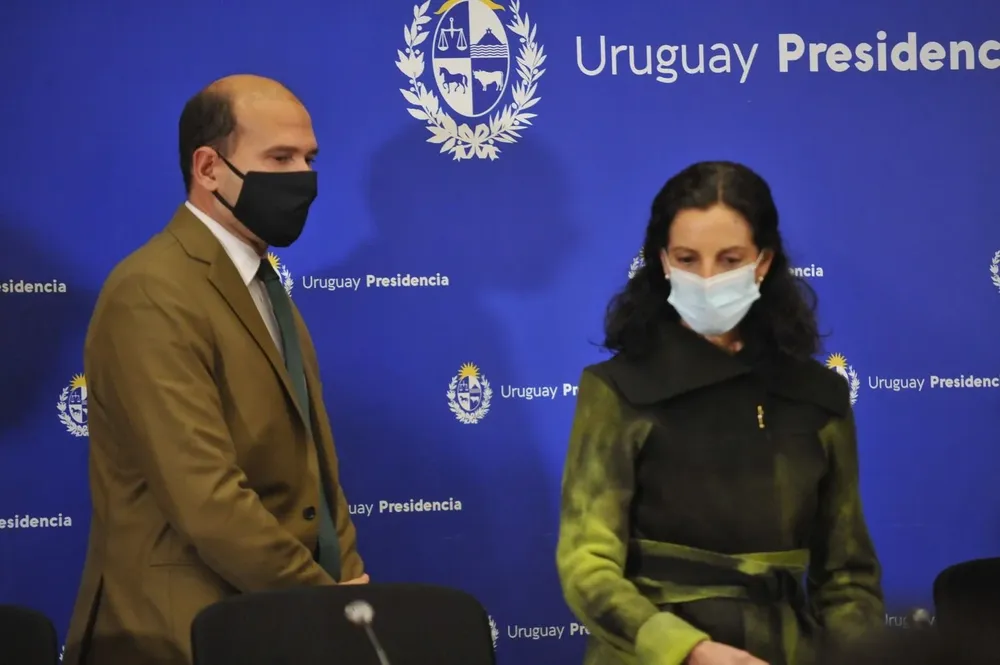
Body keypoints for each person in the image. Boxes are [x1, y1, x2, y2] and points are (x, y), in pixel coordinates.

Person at [63, 74, 367, 665]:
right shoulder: (152, 290)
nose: (303, 176)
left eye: (309, 157)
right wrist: (323, 602)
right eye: (279, 157)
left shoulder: (263, 282)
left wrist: (345, 587)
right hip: (182, 634)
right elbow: (206, 499)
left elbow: (317, 472)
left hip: (279, 624)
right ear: (208, 169)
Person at [556, 161, 884, 665]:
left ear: (763, 262)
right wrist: (686, 651)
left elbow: (848, 577)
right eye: (688, 258)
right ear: (663, 262)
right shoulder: (616, 390)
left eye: (729, 258)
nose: (707, 278)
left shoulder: (819, 397)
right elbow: (587, 564)